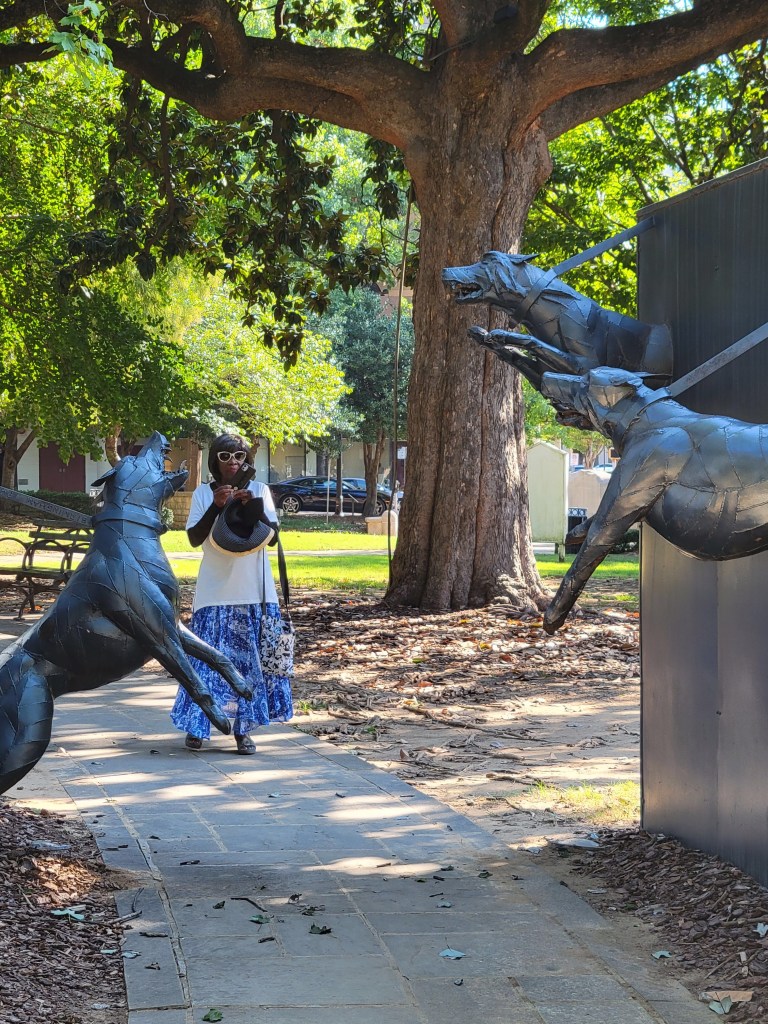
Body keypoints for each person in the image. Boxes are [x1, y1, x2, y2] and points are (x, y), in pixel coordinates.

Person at [170, 433, 293, 753]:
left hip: (254, 592)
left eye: (239, 456)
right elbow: (194, 538)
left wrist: (252, 506)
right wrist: (216, 506)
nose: (233, 462)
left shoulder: (260, 490)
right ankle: (197, 726)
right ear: (215, 461)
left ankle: (243, 731)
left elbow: (273, 537)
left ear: (247, 460)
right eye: (225, 456)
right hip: (215, 593)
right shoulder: (203, 493)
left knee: (249, 667)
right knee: (205, 664)